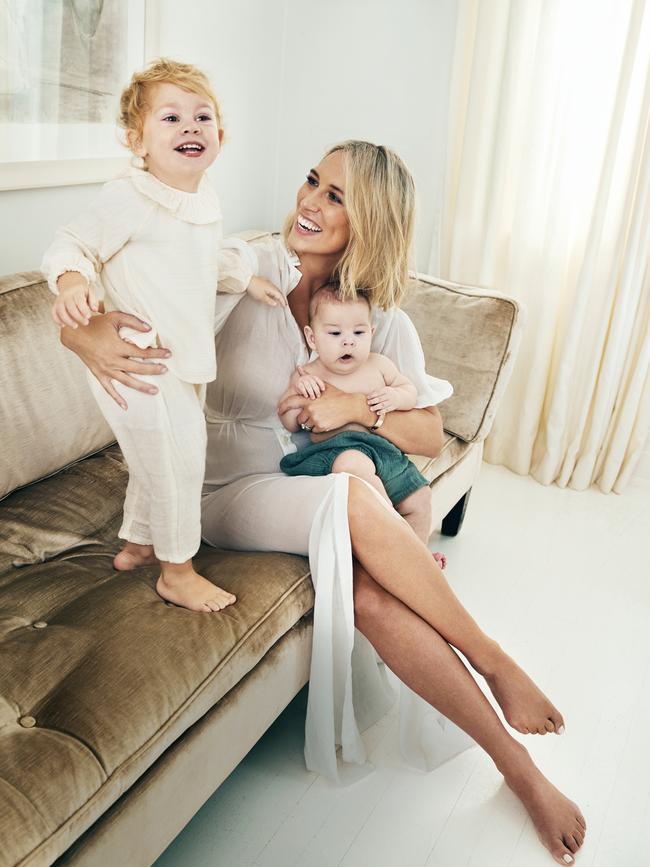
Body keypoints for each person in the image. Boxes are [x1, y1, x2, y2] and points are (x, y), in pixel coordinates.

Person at [60, 140, 586, 864]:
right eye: (313, 181)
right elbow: (127, 292)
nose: (309, 200)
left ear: (371, 222)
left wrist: (350, 407)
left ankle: (518, 768)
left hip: (308, 484)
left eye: (335, 195)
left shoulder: (378, 318)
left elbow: (430, 429)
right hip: (222, 489)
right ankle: (493, 659)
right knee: (350, 494)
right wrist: (81, 332)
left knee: (372, 598)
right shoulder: (245, 270)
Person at [41, 58, 284, 613]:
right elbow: (70, 242)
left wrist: (247, 278)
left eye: (203, 117)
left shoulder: (203, 200)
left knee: (162, 455)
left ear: (221, 136)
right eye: (171, 118)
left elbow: (202, 257)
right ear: (137, 140)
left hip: (185, 360)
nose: (191, 127)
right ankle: (178, 569)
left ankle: (138, 542)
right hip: (136, 361)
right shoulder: (130, 196)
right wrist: (74, 279)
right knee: (179, 461)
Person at [278, 284, 447, 566]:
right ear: (312, 337)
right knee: (353, 464)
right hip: (334, 452)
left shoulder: (379, 365)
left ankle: (415, 560)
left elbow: (410, 393)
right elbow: (289, 420)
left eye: (358, 332)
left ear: (372, 333)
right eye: (334, 333)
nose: (348, 342)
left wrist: (395, 396)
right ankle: (402, 542)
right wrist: (299, 396)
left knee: (421, 497)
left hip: (383, 451)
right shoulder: (309, 374)